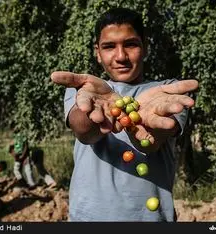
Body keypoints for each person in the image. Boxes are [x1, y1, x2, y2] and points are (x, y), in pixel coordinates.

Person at [50, 7, 198, 221]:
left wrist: (134, 126)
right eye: (109, 46)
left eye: (130, 44)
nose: (121, 56)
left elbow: (151, 141)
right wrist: (90, 111)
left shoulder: (167, 92)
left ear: (145, 48)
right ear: (97, 53)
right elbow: (84, 131)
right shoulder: (83, 89)